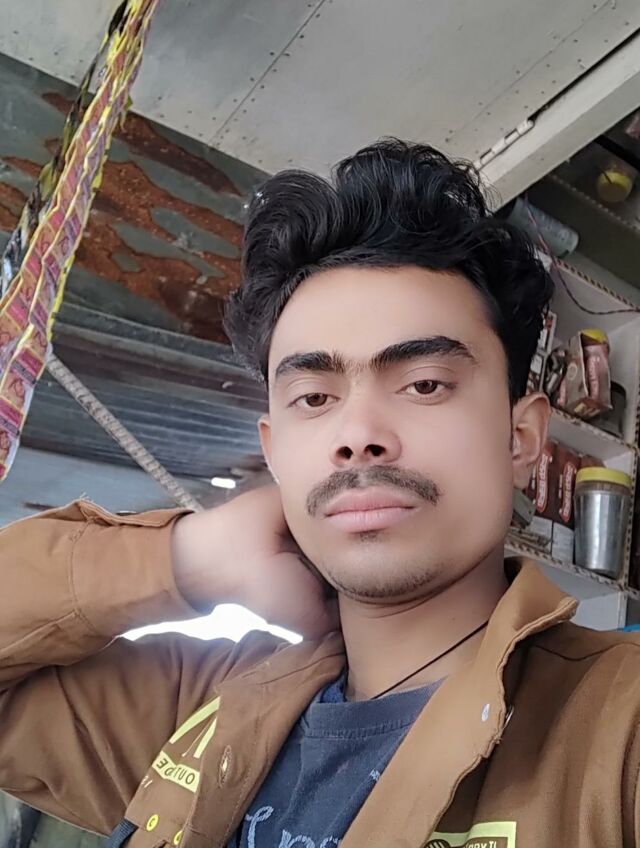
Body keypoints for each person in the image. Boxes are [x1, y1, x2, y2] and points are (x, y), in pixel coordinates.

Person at [1, 140, 639, 848]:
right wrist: (187, 558)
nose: (358, 435)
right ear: (275, 452)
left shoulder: (616, 732)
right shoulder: (197, 707)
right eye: (314, 397)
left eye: (424, 384)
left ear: (520, 438)